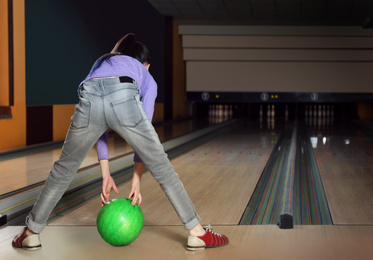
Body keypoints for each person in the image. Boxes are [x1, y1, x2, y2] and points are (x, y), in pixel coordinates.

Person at [12, 33, 229, 251]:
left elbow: (100, 126)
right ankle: (198, 234)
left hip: (89, 97)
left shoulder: (103, 61)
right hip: (124, 95)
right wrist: (136, 178)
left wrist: (105, 174)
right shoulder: (146, 77)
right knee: (163, 168)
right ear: (146, 65)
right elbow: (145, 129)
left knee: (62, 170)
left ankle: (30, 234)